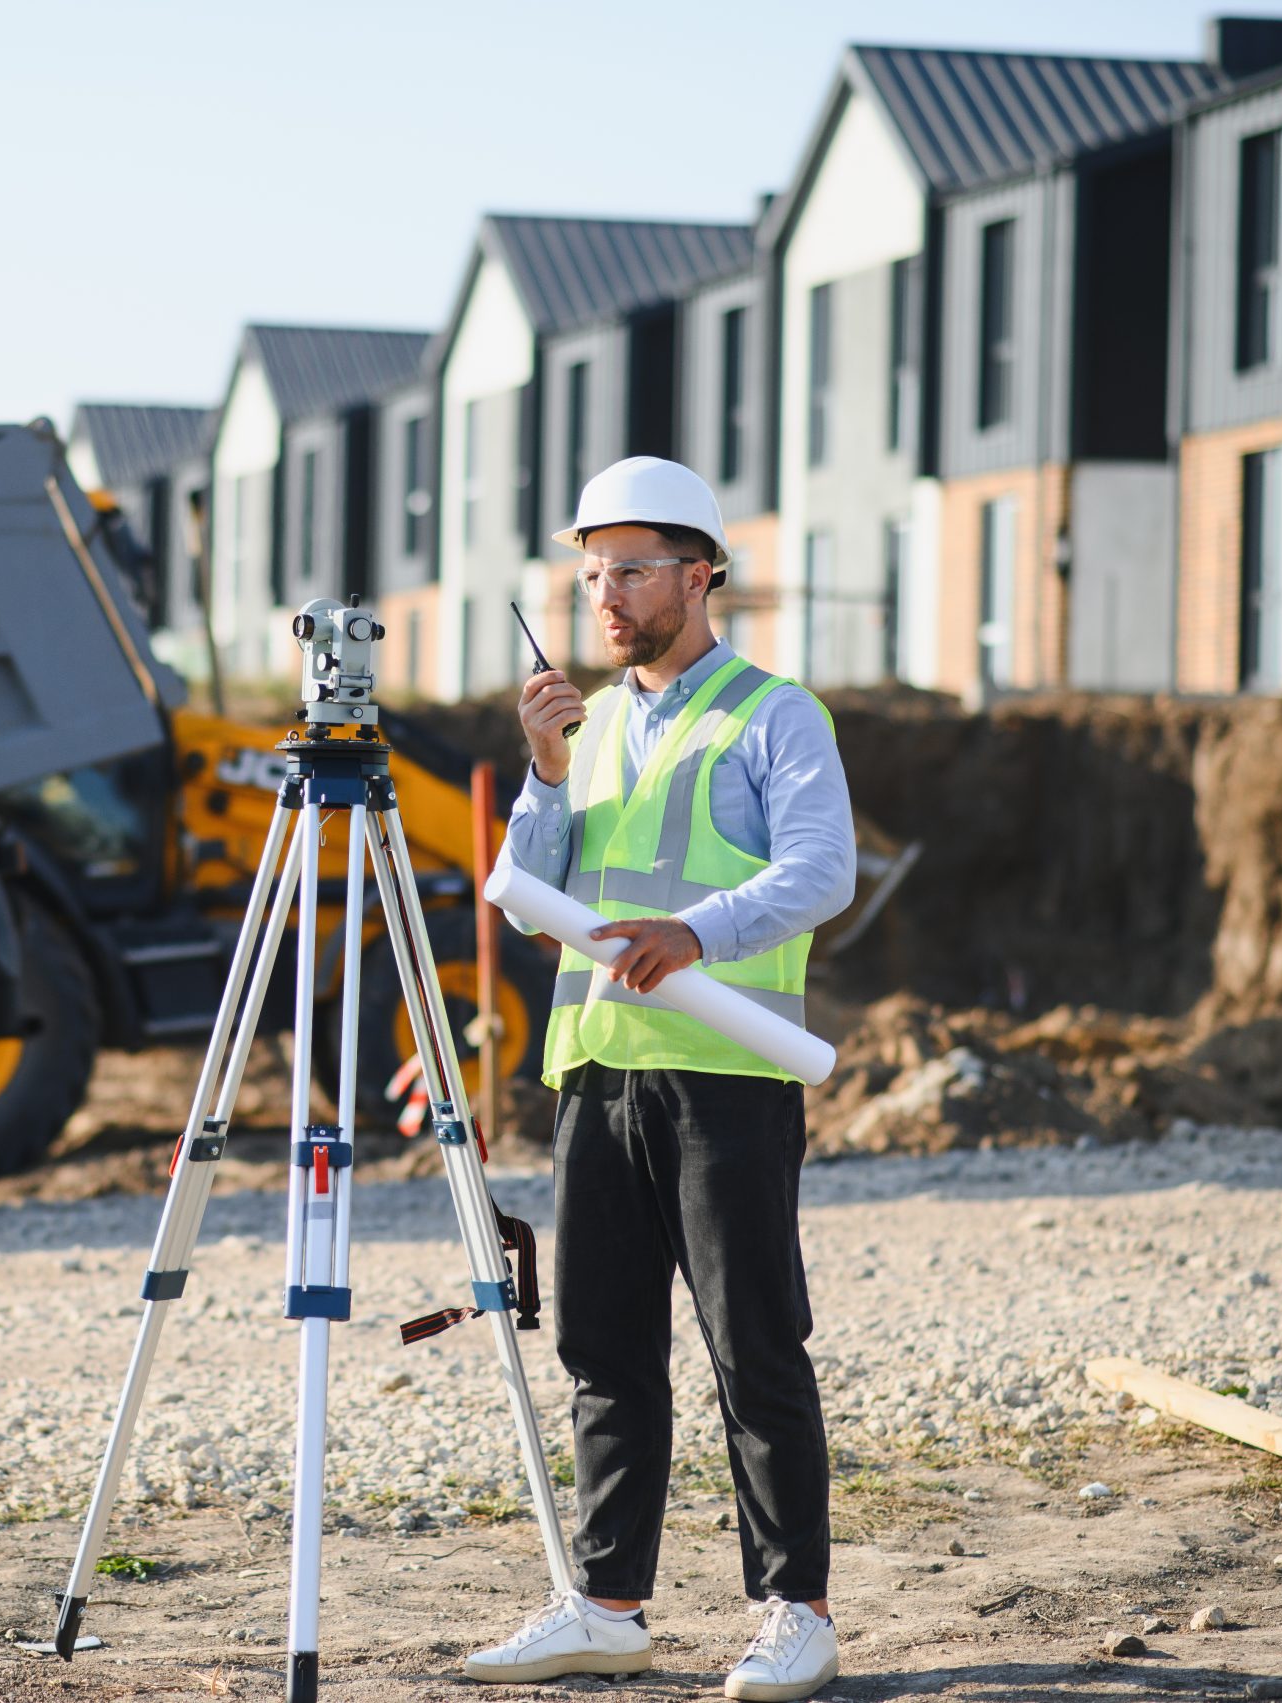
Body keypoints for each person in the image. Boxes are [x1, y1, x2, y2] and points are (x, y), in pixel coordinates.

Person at [461, 457, 854, 1700]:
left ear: (700, 574)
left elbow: (820, 869)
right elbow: (536, 905)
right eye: (590, 573)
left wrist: (700, 931)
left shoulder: (773, 713)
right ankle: (607, 1603)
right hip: (599, 1072)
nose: (607, 593)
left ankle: (796, 1608)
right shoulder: (595, 726)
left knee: (754, 1344)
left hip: (727, 1072)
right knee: (602, 1346)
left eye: (631, 569)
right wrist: (541, 772)